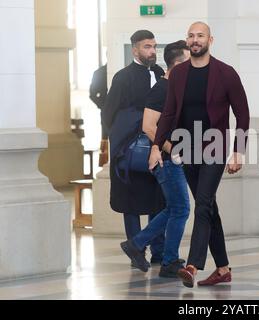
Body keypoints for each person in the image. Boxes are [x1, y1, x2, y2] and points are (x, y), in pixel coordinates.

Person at [149, 22, 250, 288]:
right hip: (185, 149)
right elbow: (169, 112)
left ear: (210, 40)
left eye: (200, 36)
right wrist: (156, 146)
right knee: (208, 207)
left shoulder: (226, 73)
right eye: (191, 36)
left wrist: (238, 151)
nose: (195, 40)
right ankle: (223, 268)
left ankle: (192, 265)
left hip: (215, 148)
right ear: (187, 41)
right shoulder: (179, 74)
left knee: (202, 203)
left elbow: (243, 114)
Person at [120, 41, 191, 277]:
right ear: (178, 63)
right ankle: (156, 253)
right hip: (165, 159)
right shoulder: (162, 89)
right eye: (189, 61)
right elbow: (149, 127)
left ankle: (144, 247)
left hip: (173, 158)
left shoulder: (178, 87)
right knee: (180, 208)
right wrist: (174, 150)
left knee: (174, 208)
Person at [102, 30, 166, 268]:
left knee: (158, 198)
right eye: (147, 47)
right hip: (129, 150)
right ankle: (136, 250)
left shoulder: (160, 73)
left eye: (154, 46)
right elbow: (108, 114)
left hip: (156, 145)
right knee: (131, 201)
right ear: (135, 49)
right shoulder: (122, 77)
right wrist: (123, 142)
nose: (152, 51)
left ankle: (159, 250)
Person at [89, 63, 109, 166]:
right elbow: (92, 94)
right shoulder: (99, 73)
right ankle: (105, 165)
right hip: (106, 112)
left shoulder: (99, 72)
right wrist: (103, 106)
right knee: (105, 139)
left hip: (117, 111)